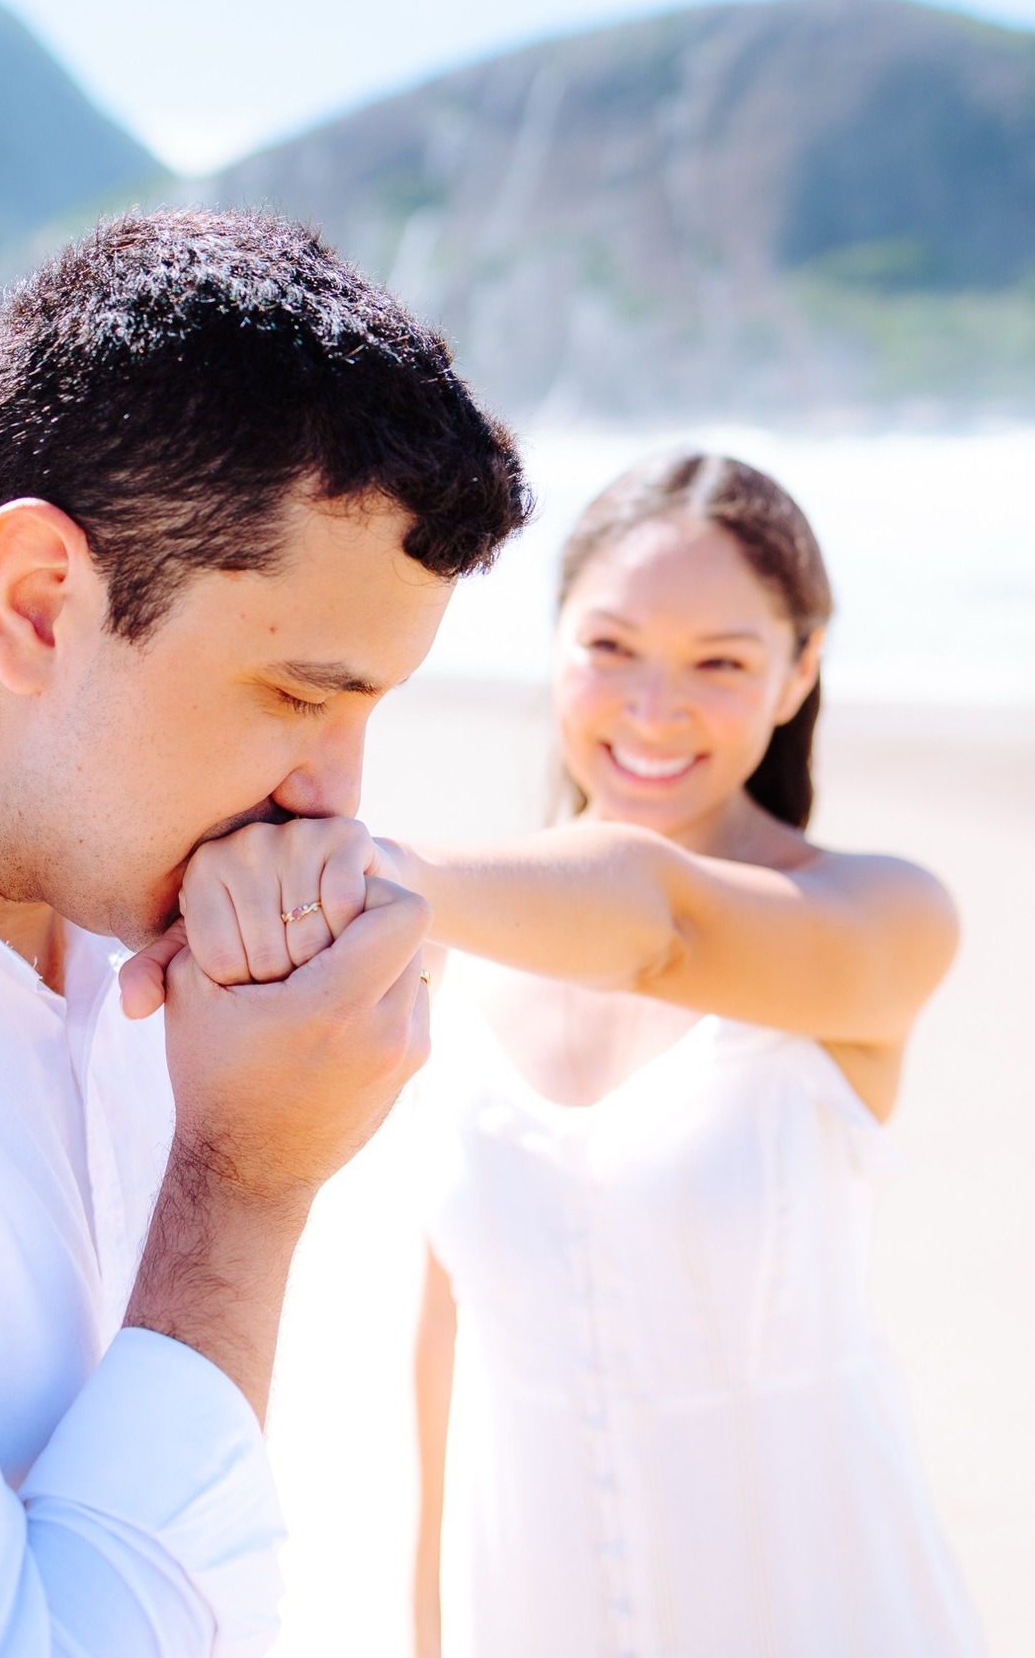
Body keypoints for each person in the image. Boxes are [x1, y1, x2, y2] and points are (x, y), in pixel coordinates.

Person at [0, 208, 529, 1657]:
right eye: (294, 696)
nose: (335, 795)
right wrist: (247, 1186)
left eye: (369, 714)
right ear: (38, 606)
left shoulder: (161, 938)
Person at [159, 454, 982, 1656]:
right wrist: (429, 1627)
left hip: (809, 1590)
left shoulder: (881, 920)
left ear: (799, 672)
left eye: (722, 662)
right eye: (610, 647)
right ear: (554, 645)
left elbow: (661, 923)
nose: (654, 708)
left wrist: (385, 877)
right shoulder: (459, 945)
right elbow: (440, 1342)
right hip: (528, 1592)